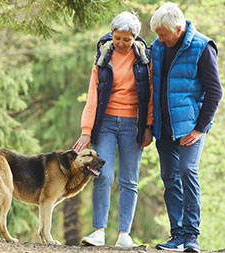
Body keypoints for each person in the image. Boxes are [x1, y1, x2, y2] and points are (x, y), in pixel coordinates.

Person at [72, 11, 153, 247]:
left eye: (126, 40)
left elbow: (149, 98)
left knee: (129, 179)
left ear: (135, 38)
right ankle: (98, 232)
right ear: (112, 35)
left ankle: (124, 235)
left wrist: (148, 126)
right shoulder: (103, 57)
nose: (121, 43)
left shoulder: (143, 61)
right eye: (117, 38)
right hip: (105, 123)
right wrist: (86, 130)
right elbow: (92, 96)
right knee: (102, 175)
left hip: (132, 125)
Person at [149, 2, 223, 252]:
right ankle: (177, 235)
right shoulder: (158, 47)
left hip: (191, 128)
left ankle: (192, 236)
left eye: (163, 34)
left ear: (178, 28)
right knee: (170, 179)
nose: (159, 38)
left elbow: (215, 92)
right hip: (164, 128)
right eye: (157, 33)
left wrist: (200, 129)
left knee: (187, 171)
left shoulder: (203, 47)